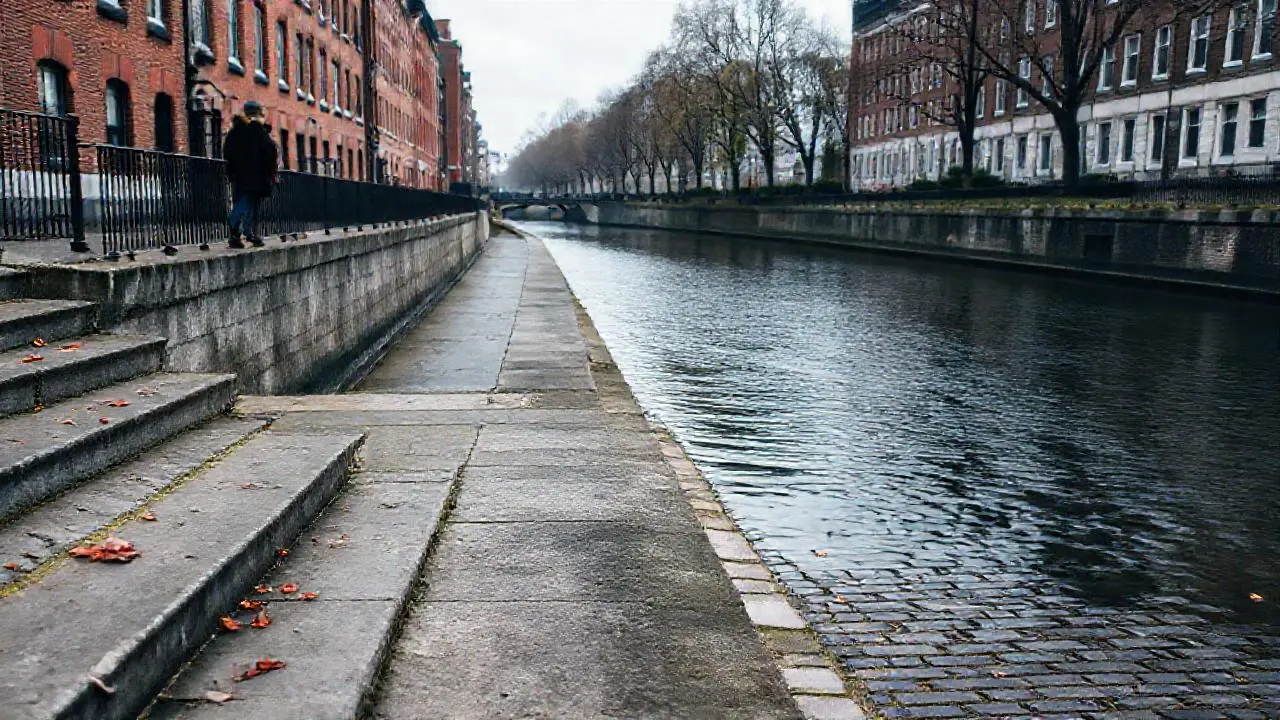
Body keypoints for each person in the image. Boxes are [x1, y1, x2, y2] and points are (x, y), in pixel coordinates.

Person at [222, 101, 278, 248]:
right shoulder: (258, 131)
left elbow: (227, 151)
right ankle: (241, 228)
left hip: (239, 175)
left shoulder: (236, 131)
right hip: (256, 176)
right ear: (258, 114)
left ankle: (240, 235)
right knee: (249, 204)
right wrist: (272, 173)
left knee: (243, 201)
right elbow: (270, 152)